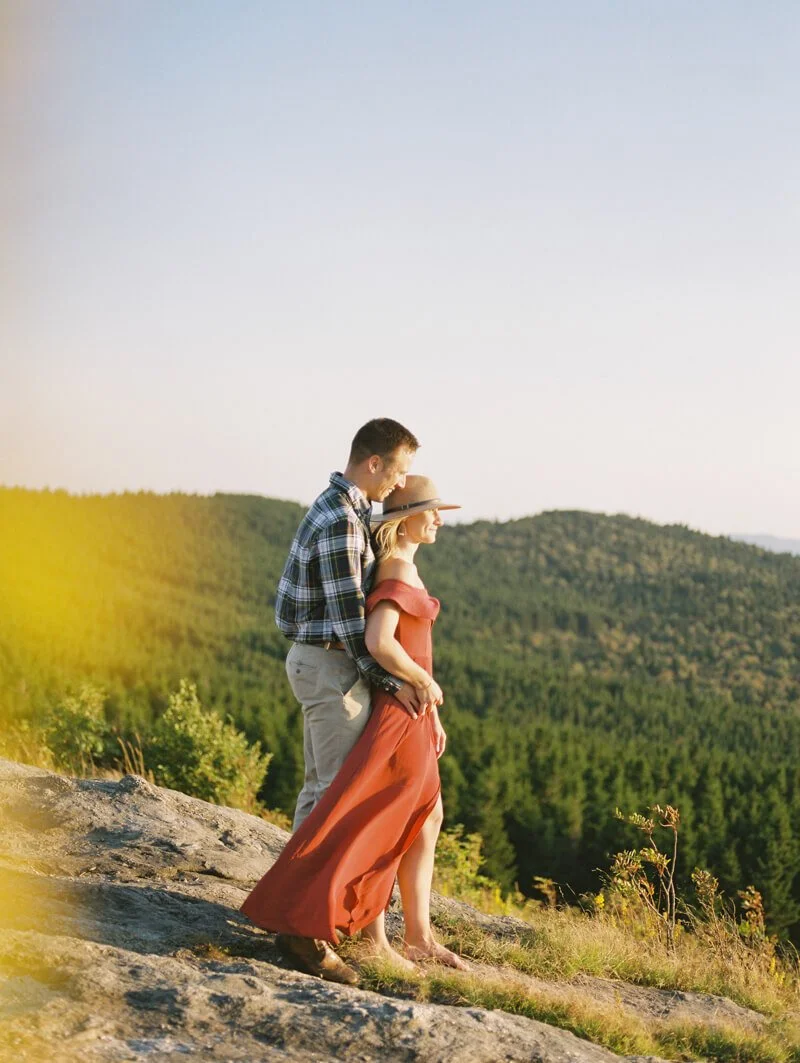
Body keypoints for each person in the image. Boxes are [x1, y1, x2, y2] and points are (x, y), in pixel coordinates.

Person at [242, 476, 468, 983]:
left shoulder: (406, 566)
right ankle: (368, 935)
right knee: (384, 815)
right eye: (432, 510)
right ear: (405, 519)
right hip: (398, 706)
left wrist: (433, 710)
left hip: (414, 706)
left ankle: (418, 935)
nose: (440, 518)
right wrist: (423, 684)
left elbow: (413, 647)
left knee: (428, 814)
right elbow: (381, 642)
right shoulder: (395, 569)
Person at [274, 418, 440, 832]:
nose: (400, 483)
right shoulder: (343, 521)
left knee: (319, 788)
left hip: (322, 663)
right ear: (374, 463)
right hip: (331, 667)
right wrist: (393, 682)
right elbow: (350, 623)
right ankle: (312, 876)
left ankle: (294, 875)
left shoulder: (344, 508)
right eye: (399, 471)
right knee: (336, 792)